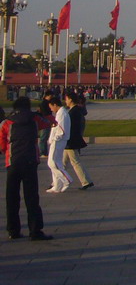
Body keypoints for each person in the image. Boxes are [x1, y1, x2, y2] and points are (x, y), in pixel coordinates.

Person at [0, 97, 54, 240]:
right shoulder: (35, 119)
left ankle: (13, 230)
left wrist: (7, 151)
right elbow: (49, 123)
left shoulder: (7, 122)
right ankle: (35, 230)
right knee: (31, 197)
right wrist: (43, 113)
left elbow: (2, 144)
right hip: (30, 161)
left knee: (12, 198)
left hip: (12, 162)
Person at [62, 91, 93, 189]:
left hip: (70, 141)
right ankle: (58, 180)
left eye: (66, 99)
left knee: (75, 162)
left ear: (70, 99)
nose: (65, 101)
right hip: (71, 140)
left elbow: (71, 128)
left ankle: (86, 181)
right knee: (62, 162)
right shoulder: (76, 110)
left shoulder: (73, 112)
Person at [45, 98, 73, 193]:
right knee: (56, 162)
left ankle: (66, 180)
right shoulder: (61, 113)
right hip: (58, 140)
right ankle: (57, 185)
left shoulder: (61, 114)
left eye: (51, 107)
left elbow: (61, 130)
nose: (51, 109)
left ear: (55, 105)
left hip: (58, 141)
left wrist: (54, 139)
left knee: (52, 162)